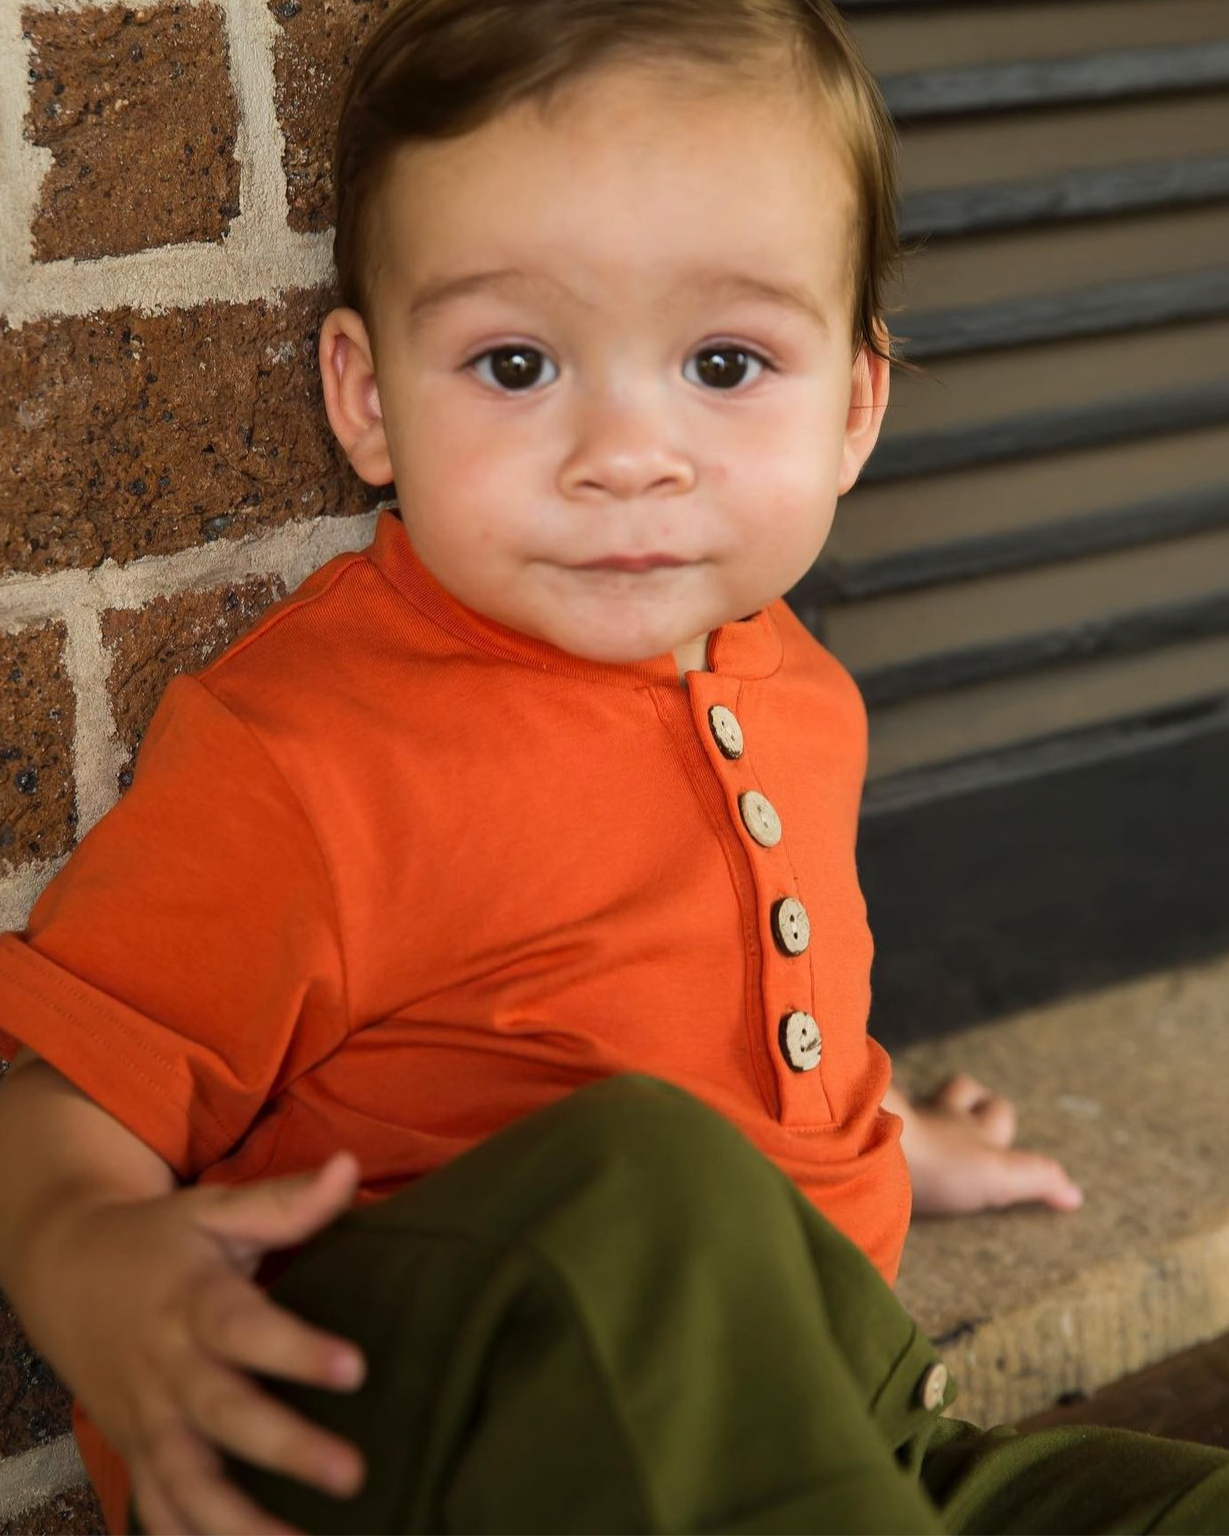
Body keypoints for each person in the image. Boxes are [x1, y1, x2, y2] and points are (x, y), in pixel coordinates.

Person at [0, 2, 1216, 1533]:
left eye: (723, 360)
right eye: (516, 364)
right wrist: (89, 1267)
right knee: (655, 1180)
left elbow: (702, 1004)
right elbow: (60, 1096)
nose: (625, 452)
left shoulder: (802, 698)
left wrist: (879, 1130)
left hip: (841, 1415)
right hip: (451, 1450)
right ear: (368, 400)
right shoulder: (309, 752)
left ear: (854, 405)